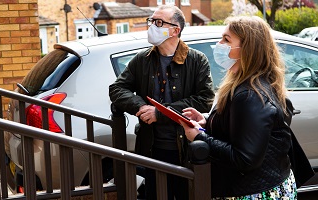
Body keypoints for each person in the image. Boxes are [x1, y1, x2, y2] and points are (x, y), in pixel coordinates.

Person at [179, 16, 297, 199]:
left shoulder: (250, 95)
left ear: (247, 49)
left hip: (254, 191)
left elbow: (244, 158)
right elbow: (241, 128)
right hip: (263, 185)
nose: (219, 44)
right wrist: (207, 121)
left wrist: (199, 136)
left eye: (227, 39)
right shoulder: (253, 82)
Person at [109, 4, 215, 200]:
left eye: (159, 22)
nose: (152, 27)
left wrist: (161, 113)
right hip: (152, 149)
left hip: (186, 150)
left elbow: (205, 99)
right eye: (152, 21)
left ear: (175, 30)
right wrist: (140, 106)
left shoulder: (196, 60)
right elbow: (117, 88)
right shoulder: (142, 59)